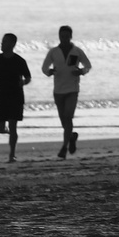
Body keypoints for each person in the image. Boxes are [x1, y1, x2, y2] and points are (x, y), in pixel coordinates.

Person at [42, 25, 91, 159]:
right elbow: (44, 67)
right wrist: (49, 72)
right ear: (59, 36)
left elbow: (88, 65)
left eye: (66, 36)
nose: (64, 39)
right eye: (61, 36)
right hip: (58, 90)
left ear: (70, 36)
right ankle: (72, 137)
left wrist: (81, 71)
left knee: (68, 117)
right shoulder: (53, 52)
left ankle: (64, 147)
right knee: (64, 120)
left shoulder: (77, 51)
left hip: (72, 89)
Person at [0, 33, 32, 161]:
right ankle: (9, 133)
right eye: (2, 41)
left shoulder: (19, 61)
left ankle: (12, 154)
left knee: (13, 125)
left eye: (5, 42)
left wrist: (23, 82)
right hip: (1, 95)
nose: (2, 44)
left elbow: (28, 77)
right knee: (0, 129)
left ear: (12, 44)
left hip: (15, 95)